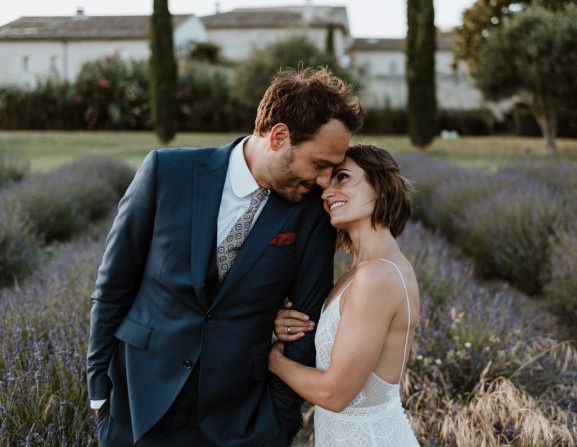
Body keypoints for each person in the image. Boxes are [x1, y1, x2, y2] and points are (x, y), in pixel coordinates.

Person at [87, 67, 363, 446]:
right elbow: (113, 284)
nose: (324, 181)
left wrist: (278, 420)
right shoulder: (167, 172)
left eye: (333, 169)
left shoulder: (311, 213)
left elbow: (306, 325)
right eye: (319, 164)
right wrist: (99, 388)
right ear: (279, 137)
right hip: (136, 406)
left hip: (238, 420)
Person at [269, 144, 420, 446]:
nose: (326, 194)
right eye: (325, 184)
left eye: (343, 177)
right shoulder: (361, 272)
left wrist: (271, 357)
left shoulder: (376, 276)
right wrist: (286, 325)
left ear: (380, 186)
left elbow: (334, 393)